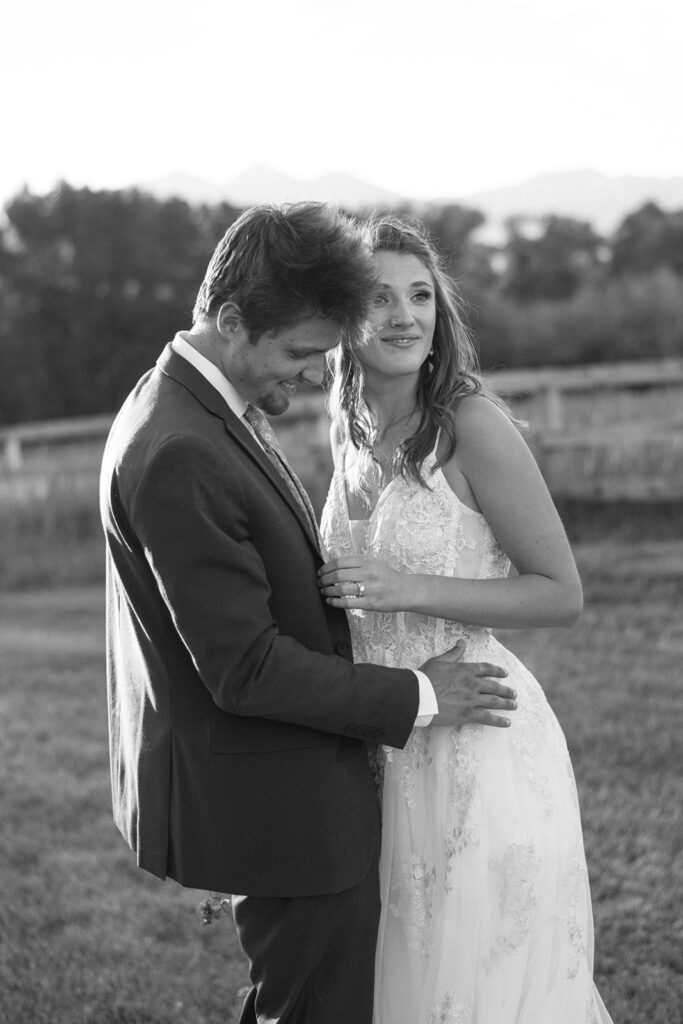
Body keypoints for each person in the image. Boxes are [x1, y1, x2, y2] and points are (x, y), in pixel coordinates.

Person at [99, 203, 518, 1024]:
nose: (309, 374)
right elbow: (246, 667)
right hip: (280, 799)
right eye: (298, 353)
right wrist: (419, 695)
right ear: (228, 321)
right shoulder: (182, 445)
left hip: (289, 784)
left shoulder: (189, 406)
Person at [318, 213, 614, 1023]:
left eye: (419, 295)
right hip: (383, 745)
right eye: (377, 298)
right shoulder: (344, 431)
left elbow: (559, 592)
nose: (404, 315)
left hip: (476, 741)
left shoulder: (470, 425)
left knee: (477, 987)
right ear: (341, 315)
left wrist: (406, 585)